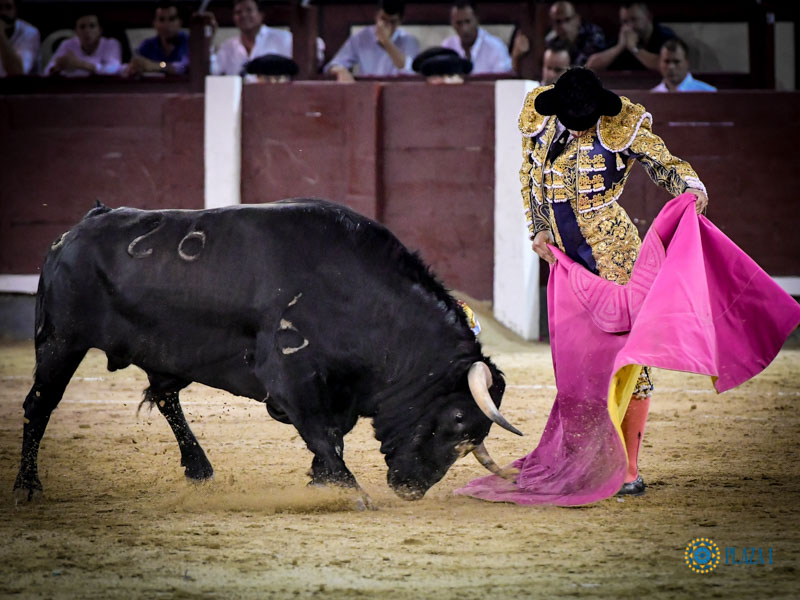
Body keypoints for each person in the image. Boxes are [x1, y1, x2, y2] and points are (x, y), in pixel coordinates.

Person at [522, 68, 707, 495]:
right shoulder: (541, 120)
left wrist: (691, 188)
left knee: (628, 357)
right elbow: (529, 178)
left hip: (613, 256)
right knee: (577, 360)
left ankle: (628, 469)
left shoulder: (621, 124)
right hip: (566, 261)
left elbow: (664, 162)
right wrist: (537, 228)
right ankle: (589, 460)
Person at [212, 0, 323, 76]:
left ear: (261, 15)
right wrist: (210, 38)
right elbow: (214, 71)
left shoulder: (282, 38)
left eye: (249, 10)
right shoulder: (228, 46)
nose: (243, 15)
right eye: (238, 12)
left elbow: (316, 52)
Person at [324, 0, 419, 82]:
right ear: (376, 16)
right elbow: (334, 64)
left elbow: (407, 68)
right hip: (366, 91)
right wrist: (341, 71)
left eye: (392, 22)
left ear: (400, 21)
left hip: (397, 93)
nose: (387, 26)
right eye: (383, 19)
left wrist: (386, 42)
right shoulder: (361, 38)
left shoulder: (409, 41)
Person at [586, 2, 675, 72]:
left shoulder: (664, 36)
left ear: (648, 17)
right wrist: (619, 47)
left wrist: (635, 49)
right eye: (625, 21)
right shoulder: (622, 36)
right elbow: (591, 65)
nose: (629, 26)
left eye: (634, 20)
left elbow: (668, 66)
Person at [441, 1, 511, 75]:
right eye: (459, 23)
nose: (465, 29)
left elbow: (502, 81)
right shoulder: (447, 47)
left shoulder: (496, 47)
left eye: (468, 22)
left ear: (477, 20)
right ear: (452, 23)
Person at [45, 14, 122, 77]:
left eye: (92, 26)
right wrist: (57, 68)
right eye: (82, 27)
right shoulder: (67, 44)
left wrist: (79, 64)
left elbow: (114, 69)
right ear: (76, 31)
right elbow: (47, 71)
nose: (87, 31)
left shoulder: (111, 44)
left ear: (100, 30)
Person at [126, 1, 190, 76]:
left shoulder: (190, 42)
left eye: (172, 19)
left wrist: (157, 66)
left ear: (180, 22)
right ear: (154, 23)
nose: (167, 25)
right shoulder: (147, 45)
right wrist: (135, 66)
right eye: (161, 20)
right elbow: (135, 62)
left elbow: (184, 67)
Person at [544, 1, 607, 67]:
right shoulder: (551, 39)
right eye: (558, 22)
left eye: (567, 20)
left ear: (577, 19)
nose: (563, 26)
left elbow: (584, 66)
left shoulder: (594, 34)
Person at [652, 37, 716, 92]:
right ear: (660, 63)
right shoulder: (652, 96)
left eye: (676, 62)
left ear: (687, 63)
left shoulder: (708, 92)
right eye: (667, 61)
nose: (671, 67)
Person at [0, 0, 39, 76]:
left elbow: (17, 73)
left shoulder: (29, 32)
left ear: (16, 10)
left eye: (8, 7)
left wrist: (1, 34)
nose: (3, 13)